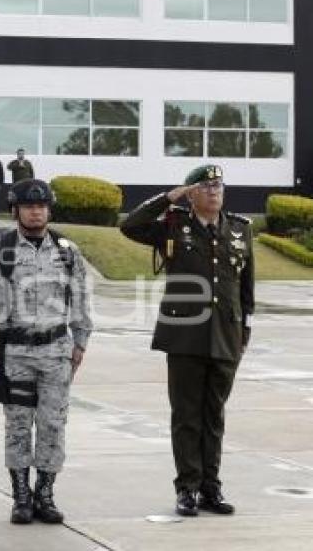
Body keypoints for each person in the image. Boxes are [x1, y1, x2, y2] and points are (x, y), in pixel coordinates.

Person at [120, 164, 253, 517]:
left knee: (214, 416)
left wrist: (245, 331)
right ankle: (187, 489)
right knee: (186, 417)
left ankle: (211, 488)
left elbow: (246, 289)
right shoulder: (173, 225)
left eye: (218, 186)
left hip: (226, 336)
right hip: (185, 336)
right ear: (191, 193)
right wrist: (169, 197)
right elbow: (129, 225)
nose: (213, 191)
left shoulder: (240, 230)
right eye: (205, 186)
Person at [0, 178, 92, 525]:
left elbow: (80, 300)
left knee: (52, 424)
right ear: (15, 210)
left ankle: (45, 494)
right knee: (18, 425)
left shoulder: (67, 250)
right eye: (29, 206)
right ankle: (21, 496)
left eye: (42, 206)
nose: (36, 211)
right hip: (16, 352)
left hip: (56, 351)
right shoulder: (0, 249)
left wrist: (81, 342)